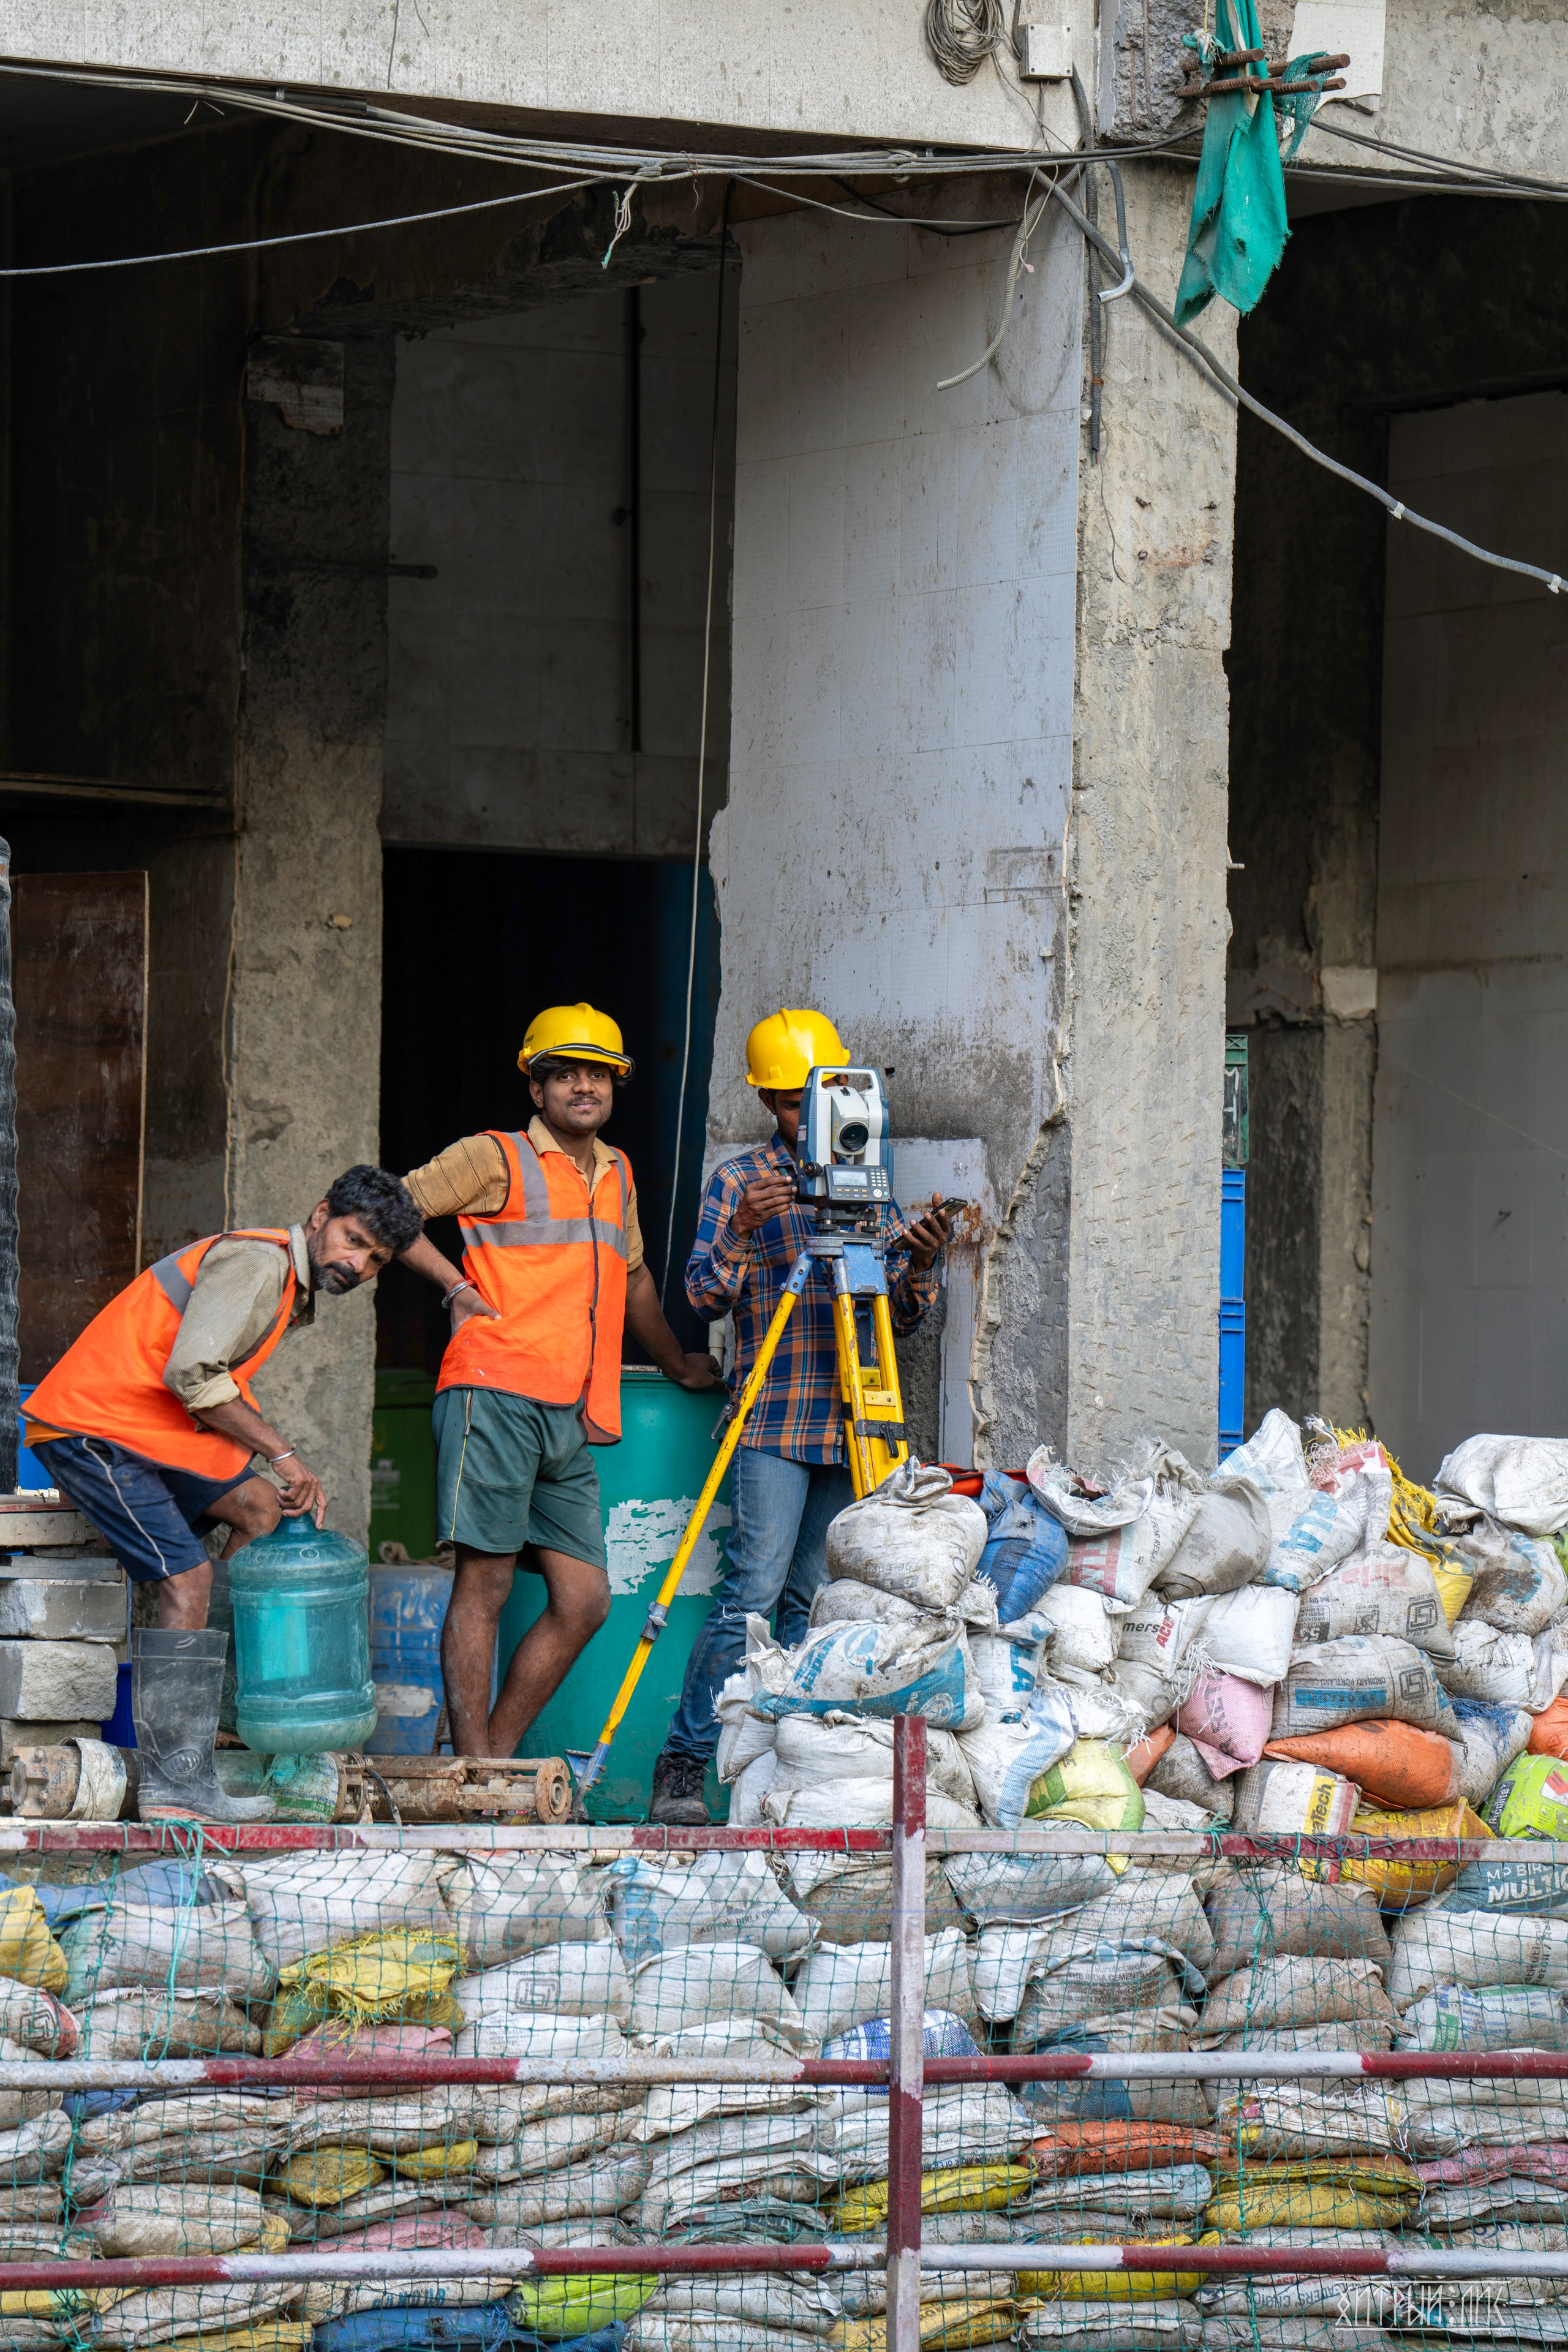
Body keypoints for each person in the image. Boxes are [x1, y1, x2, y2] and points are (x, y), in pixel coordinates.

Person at [23, 1166, 423, 1824]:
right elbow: (192, 1374)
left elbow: (208, 1389)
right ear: (321, 1215)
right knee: (188, 1579)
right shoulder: (259, 1263)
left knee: (262, 1507)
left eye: (375, 1260)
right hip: (91, 1429)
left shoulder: (287, 1284)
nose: (358, 1264)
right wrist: (282, 1451)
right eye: (354, 1240)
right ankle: (174, 1781)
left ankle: (227, 1722)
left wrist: (277, 1465)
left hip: (142, 1429)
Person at [648, 1007, 953, 1826]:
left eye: (811, 1099)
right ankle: (682, 1762)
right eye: (786, 1103)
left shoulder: (868, 1177)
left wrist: (917, 1261)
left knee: (813, 1605)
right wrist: (746, 1232)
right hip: (775, 1421)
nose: (800, 1117)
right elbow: (702, 1294)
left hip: (852, 1418)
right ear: (768, 1104)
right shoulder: (741, 1180)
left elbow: (904, 1318)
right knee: (751, 1589)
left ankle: (784, 1777)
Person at [396, 1003, 717, 1760]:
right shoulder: (493, 1157)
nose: (583, 1087)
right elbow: (391, 1208)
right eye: (564, 1074)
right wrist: (453, 1287)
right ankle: (476, 1773)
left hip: (565, 1413)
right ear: (535, 1088)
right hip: (493, 1391)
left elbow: (632, 1278)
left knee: (584, 1601)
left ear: (615, 1086)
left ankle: (489, 1758)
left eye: (598, 1074)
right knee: (487, 1587)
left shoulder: (617, 1172)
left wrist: (676, 1363)